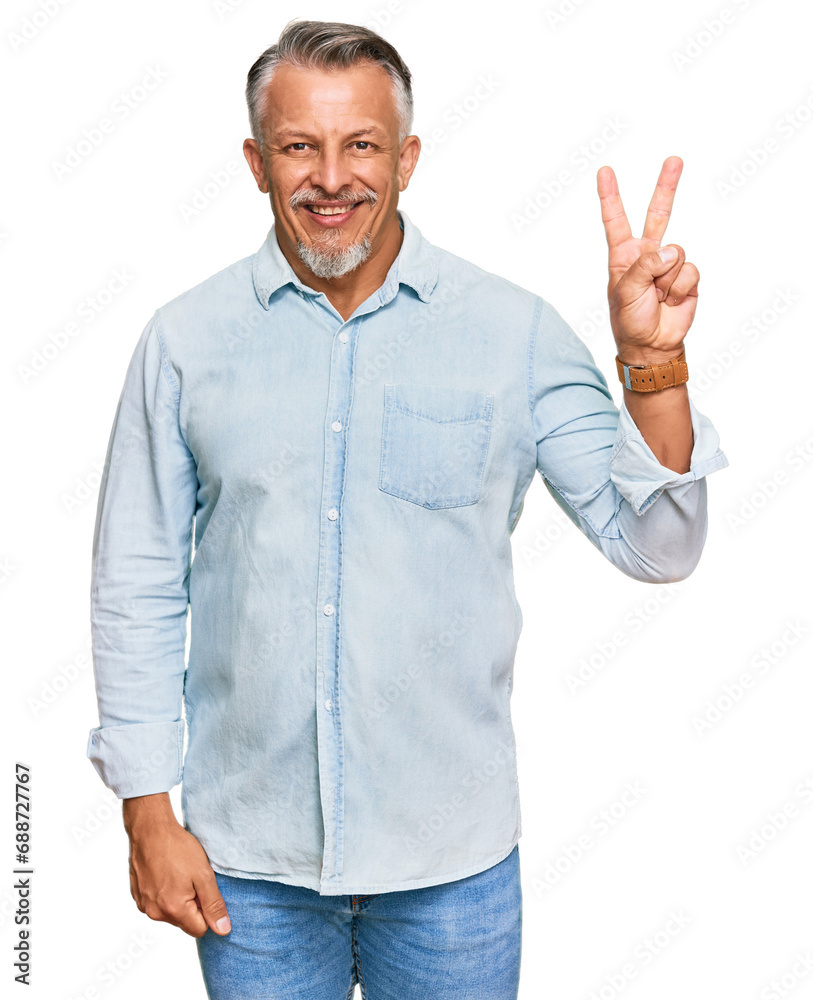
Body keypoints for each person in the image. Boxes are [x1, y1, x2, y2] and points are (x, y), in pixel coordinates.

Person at [85, 18, 728, 1000]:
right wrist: (145, 810)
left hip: (452, 870)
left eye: (362, 145)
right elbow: (135, 582)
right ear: (257, 163)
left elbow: (661, 543)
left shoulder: (511, 334)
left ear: (408, 158)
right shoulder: (184, 343)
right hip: (249, 868)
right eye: (301, 145)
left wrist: (652, 360)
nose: (331, 177)